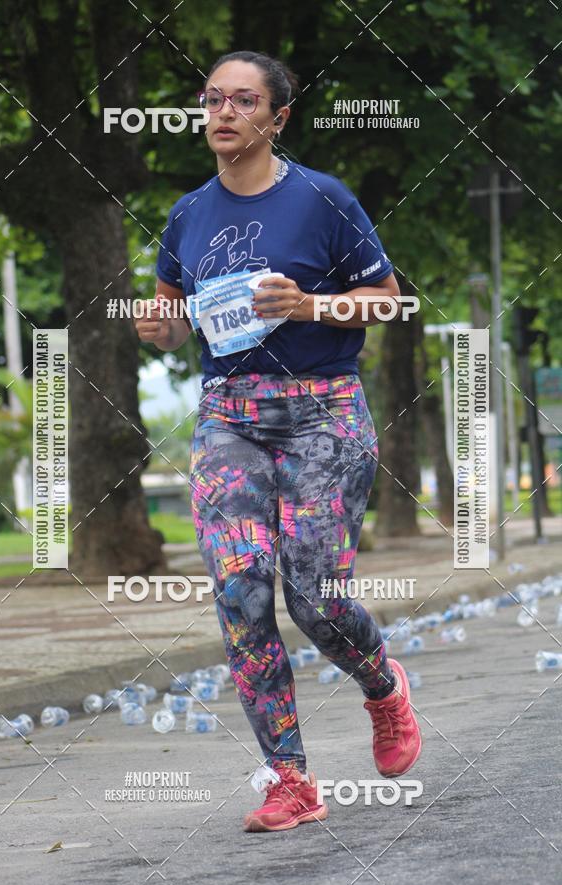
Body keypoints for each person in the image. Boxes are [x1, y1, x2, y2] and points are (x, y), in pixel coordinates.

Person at [136, 50, 421, 832]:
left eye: (241, 101)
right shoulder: (188, 215)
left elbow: (390, 305)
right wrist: (157, 325)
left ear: (277, 118)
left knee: (316, 599)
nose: (222, 113)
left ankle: (381, 685)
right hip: (230, 413)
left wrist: (310, 307)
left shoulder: (323, 200)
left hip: (324, 411)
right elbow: (167, 313)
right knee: (239, 591)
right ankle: (288, 778)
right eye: (211, 100)